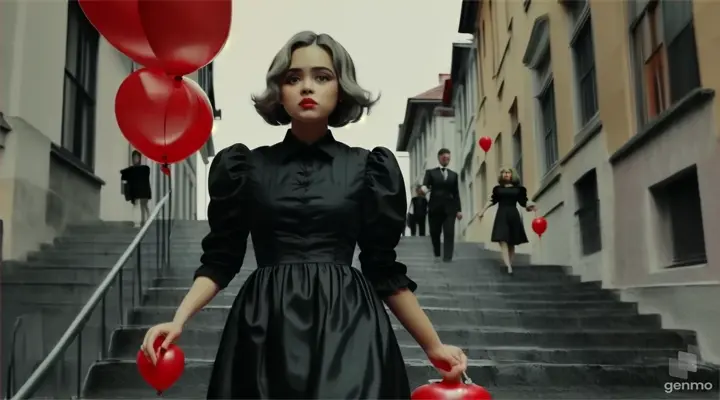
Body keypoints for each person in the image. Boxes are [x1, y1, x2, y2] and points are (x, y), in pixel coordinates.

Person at [140, 31, 467, 399]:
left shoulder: (369, 168)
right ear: (279, 91)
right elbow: (221, 259)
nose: (306, 87)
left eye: (322, 77)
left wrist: (433, 345)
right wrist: (178, 320)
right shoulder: (246, 167)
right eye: (293, 78)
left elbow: (383, 268)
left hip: (349, 326)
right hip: (265, 326)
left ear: (340, 89)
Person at [476, 167, 536, 275]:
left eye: (508, 172)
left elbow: (523, 202)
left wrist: (530, 206)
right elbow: (491, 201)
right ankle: (508, 267)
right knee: (502, 240)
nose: (505, 174)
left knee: (511, 242)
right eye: (503, 173)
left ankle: (509, 264)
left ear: (512, 174)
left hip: (513, 214)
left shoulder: (519, 189)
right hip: (502, 214)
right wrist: (482, 211)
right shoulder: (498, 189)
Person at [421, 149, 462, 262]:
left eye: (448, 158)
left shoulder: (454, 175)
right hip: (435, 207)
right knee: (435, 232)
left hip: (450, 208)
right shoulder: (431, 173)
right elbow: (425, 185)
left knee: (449, 232)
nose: (446, 160)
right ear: (439, 158)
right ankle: (437, 252)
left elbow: (456, 193)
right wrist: (423, 189)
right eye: (444, 158)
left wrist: (459, 210)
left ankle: (448, 257)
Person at [120, 150, 152, 226]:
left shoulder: (145, 169)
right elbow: (124, 177)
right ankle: (137, 222)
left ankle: (147, 221)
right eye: (134, 158)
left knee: (144, 206)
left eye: (137, 158)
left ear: (139, 159)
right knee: (136, 205)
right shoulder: (131, 170)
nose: (135, 159)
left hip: (143, 191)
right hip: (136, 191)